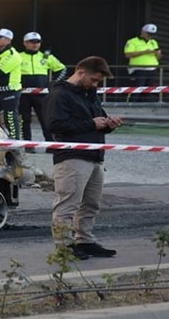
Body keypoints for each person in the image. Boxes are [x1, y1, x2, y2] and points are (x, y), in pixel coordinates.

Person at [43, 56, 123, 260]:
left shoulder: (89, 94)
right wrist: (92, 124)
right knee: (68, 204)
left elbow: (97, 120)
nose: (95, 84)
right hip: (72, 156)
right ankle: (64, 246)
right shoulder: (60, 94)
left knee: (91, 203)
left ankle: (85, 241)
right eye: (94, 80)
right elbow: (55, 126)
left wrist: (108, 124)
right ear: (80, 72)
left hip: (95, 155)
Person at [18, 31, 67, 146]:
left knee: (45, 119)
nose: (35, 44)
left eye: (38, 42)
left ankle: (50, 144)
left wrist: (54, 83)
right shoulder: (18, 56)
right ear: (25, 43)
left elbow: (62, 69)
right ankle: (27, 144)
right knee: (24, 119)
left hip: (41, 94)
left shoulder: (46, 56)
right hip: (23, 94)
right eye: (32, 42)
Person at [124, 23, 162, 102]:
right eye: (148, 34)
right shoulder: (132, 41)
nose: (150, 36)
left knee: (148, 91)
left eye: (152, 34)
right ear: (143, 32)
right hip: (138, 69)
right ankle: (130, 105)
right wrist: (144, 52)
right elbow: (127, 54)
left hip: (152, 70)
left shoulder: (153, 42)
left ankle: (143, 104)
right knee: (136, 89)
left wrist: (158, 54)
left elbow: (159, 57)